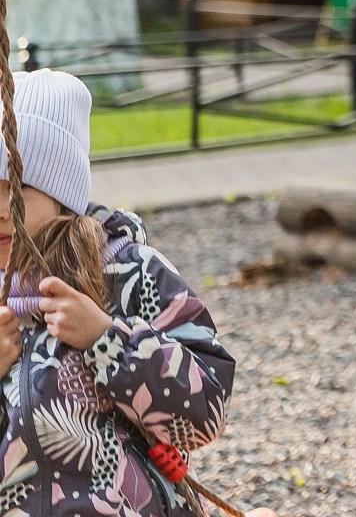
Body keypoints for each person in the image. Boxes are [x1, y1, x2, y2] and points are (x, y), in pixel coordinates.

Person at [0, 69, 258, 515]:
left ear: (61, 191)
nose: (3, 211)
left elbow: (207, 412)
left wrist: (107, 341)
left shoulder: (129, 272)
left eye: (17, 190)